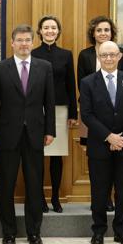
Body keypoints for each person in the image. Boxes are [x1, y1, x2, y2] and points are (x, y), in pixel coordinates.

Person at [0, 24, 55, 244]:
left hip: (36, 134)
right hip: (7, 134)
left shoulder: (44, 67)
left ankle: (34, 231)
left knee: (34, 185)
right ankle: (8, 231)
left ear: (32, 42)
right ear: (13, 43)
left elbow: (50, 102)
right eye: (20, 40)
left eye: (28, 40)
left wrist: (50, 130)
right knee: (6, 184)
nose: (24, 44)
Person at [80, 41, 123, 244]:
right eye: (104, 55)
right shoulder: (88, 82)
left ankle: (121, 231)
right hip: (100, 145)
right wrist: (109, 136)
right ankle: (98, 230)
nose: (108, 58)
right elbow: (87, 115)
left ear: (119, 57)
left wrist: (122, 137)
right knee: (99, 190)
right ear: (98, 56)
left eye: (112, 55)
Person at [77, 16, 123, 212]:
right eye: (99, 30)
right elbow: (81, 85)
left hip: (118, 119)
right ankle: (101, 198)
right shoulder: (85, 55)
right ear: (93, 33)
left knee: (116, 160)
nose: (102, 33)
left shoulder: (121, 53)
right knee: (97, 158)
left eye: (106, 30)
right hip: (92, 114)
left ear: (111, 32)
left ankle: (109, 199)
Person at [31, 15, 77, 213]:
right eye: (46, 28)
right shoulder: (32, 54)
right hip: (36, 109)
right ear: (40, 31)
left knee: (56, 156)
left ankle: (56, 198)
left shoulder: (66, 55)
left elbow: (70, 84)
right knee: (38, 155)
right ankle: (40, 197)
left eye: (53, 28)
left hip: (60, 109)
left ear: (58, 31)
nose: (50, 31)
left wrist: (73, 113)